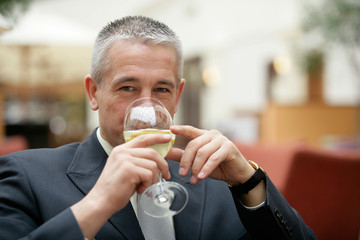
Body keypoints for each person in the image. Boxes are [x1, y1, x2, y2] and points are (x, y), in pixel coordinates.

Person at [0, 16, 317, 240]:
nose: (147, 109)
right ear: (93, 93)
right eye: (127, 88)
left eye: (162, 90)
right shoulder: (26, 176)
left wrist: (249, 184)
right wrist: (96, 205)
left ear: (178, 95)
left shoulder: (218, 179)